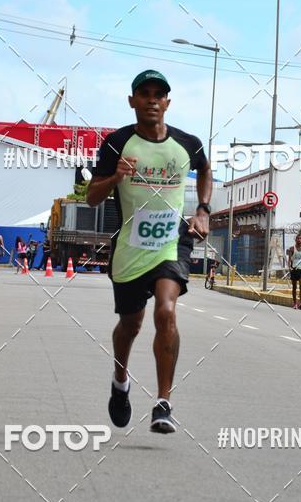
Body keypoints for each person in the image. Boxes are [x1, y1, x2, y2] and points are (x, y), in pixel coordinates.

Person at [87, 69, 212, 434]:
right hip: (130, 247)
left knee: (166, 310)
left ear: (168, 103)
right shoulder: (116, 143)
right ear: (132, 101)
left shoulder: (188, 144)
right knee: (131, 324)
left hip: (171, 243)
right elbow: (92, 197)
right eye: (145, 93)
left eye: (159, 94)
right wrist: (115, 179)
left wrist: (203, 209)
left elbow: (205, 169)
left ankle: (163, 403)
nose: (152, 100)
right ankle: (120, 380)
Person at [287, 234, 301, 310]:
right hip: (294, 269)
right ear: (295, 239)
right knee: (294, 287)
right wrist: (289, 267)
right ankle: (294, 303)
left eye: (300, 238)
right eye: (298, 238)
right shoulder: (292, 249)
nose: (299, 240)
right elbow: (289, 259)